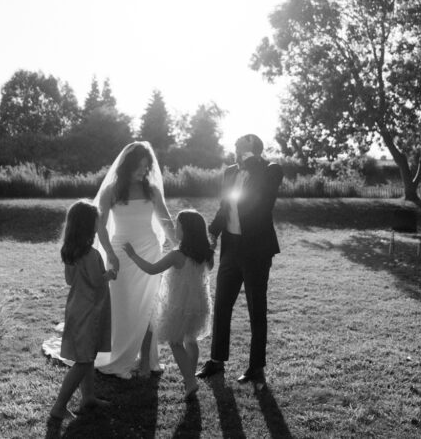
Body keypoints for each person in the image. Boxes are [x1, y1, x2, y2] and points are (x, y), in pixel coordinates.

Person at [197, 134, 284, 385]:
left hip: (257, 251)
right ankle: (216, 361)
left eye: (240, 148)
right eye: (235, 147)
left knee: (257, 310)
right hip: (231, 248)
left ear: (254, 151)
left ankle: (256, 367)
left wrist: (254, 165)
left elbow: (263, 201)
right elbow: (225, 206)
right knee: (222, 305)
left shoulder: (270, 171)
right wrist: (212, 232)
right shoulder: (230, 173)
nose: (235, 151)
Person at [93, 141, 175, 378]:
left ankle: (145, 361)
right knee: (123, 305)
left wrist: (182, 246)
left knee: (149, 306)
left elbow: (166, 221)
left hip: (149, 250)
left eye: (146, 167)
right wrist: (109, 252)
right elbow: (100, 225)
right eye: (138, 167)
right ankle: (120, 355)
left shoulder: (152, 190)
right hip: (120, 252)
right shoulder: (111, 191)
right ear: (127, 166)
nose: (143, 171)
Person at [123, 209, 214, 400]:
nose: (175, 228)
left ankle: (190, 381)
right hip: (199, 305)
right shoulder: (206, 254)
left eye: (178, 225)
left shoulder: (176, 255)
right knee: (191, 339)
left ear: (186, 230)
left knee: (175, 342)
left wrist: (132, 255)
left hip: (179, 306)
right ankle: (190, 377)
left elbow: (152, 269)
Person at [48, 200, 115, 424]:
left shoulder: (71, 252)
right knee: (84, 361)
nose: (99, 222)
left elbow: (69, 280)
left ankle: (88, 398)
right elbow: (97, 281)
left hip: (76, 307)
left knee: (87, 355)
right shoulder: (91, 254)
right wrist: (110, 274)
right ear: (88, 224)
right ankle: (59, 406)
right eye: (97, 219)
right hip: (90, 310)